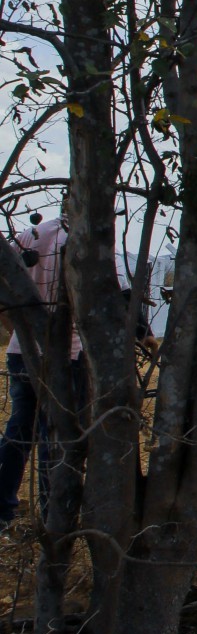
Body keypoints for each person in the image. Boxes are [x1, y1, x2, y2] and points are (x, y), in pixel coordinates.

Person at [1, 211, 78, 526]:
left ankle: (3, 509)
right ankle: (53, 516)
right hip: (66, 354)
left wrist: (17, 327)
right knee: (54, 433)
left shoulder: (30, 235)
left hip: (22, 349)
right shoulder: (84, 241)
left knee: (19, 431)